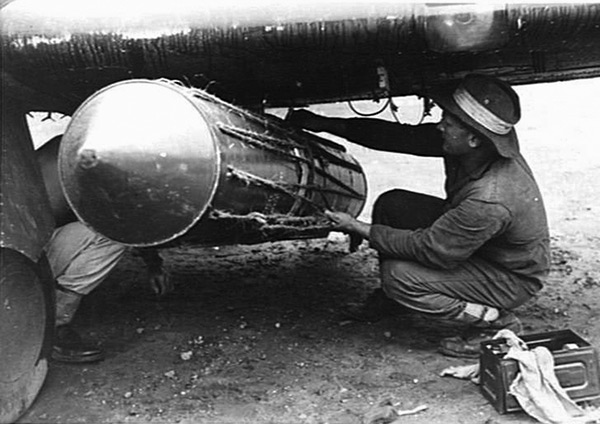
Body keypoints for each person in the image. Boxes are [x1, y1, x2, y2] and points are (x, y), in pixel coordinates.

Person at [287, 74, 550, 357]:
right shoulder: (473, 145)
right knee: (393, 204)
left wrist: (358, 227)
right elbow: (399, 137)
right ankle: (394, 300)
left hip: (509, 277)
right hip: (481, 247)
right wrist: (325, 124)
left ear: (474, 138)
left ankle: (493, 322)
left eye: (448, 122)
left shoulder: (490, 198)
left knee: (400, 277)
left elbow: (433, 249)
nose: (440, 126)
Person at [36, 135, 171, 363]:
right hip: (17, 256)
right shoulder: (73, 154)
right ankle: (37, 324)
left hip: (33, 253)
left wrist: (154, 263)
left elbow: (120, 216)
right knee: (113, 234)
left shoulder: (87, 154)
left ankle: (55, 321)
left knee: (110, 235)